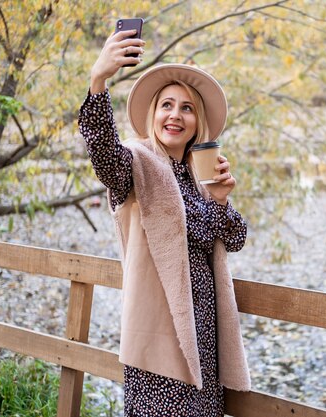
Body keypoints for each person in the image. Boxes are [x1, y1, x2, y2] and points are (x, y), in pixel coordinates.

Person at [78, 28, 250, 416]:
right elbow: (104, 154)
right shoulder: (135, 164)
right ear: (153, 114)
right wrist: (99, 80)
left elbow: (236, 238)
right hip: (159, 339)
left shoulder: (198, 175)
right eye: (167, 105)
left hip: (204, 340)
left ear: (197, 121)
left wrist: (221, 201)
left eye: (187, 108)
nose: (176, 115)